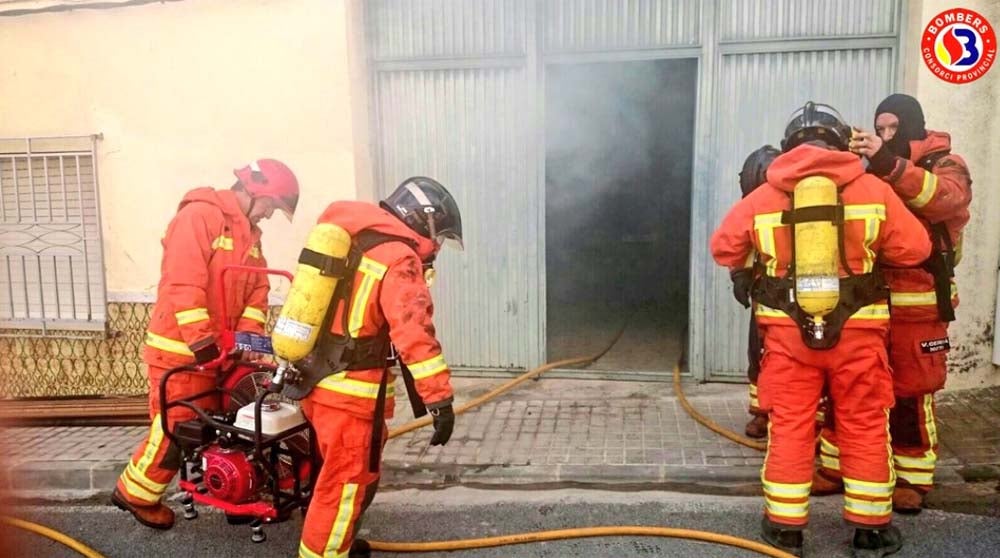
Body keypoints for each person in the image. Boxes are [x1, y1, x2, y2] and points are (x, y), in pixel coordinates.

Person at [711, 102, 931, 557]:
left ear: (789, 146)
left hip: (788, 339)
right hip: (859, 337)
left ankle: (785, 529)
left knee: (791, 424)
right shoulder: (872, 188)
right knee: (865, 423)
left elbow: (724, 248)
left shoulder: (764, 196)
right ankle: (871, 531)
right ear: (838, 142)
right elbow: (916, 248)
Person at [111, 159, 300, 529]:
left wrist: (248, 341)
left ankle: (239, 490)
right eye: (270, 206)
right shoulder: (200, 217)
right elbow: (183, 283)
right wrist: (201, 342)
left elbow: (257, 292)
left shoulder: (251, 237)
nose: (269, 215)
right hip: (181, 352)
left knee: (236, 421)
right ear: (255, 190)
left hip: (220, 355)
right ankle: (136, 493)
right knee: (177, 428)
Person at [814, 94, 973, 514]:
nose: (885, 136)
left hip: (919, 304)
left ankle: (912, 478)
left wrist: (886, 162)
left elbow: (944, 201)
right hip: (867, 301)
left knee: (911, 393)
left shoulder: (945, 164)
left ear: (913, 126)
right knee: (847, 384)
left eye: (894, 128)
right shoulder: (874, 168)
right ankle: (835, 467)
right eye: (879, 128)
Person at [294, 177, 462, 558]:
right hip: (352, 398)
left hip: (318, 384)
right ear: (424, 222)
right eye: (441, 238)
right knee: (344, 488)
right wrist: (440, 401)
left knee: (333, 480)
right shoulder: (399, 259)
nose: (437, 248)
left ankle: (339, 545)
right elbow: (415, 336)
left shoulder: (356, 241)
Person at [732, 145, 781, 439]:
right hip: (764, 292)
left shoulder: (800, 199)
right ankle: (761, 412)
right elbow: (738, 244)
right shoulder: (751, 206)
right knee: (758, 353)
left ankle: (813, 417)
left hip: (796, 293)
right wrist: (740, 275)